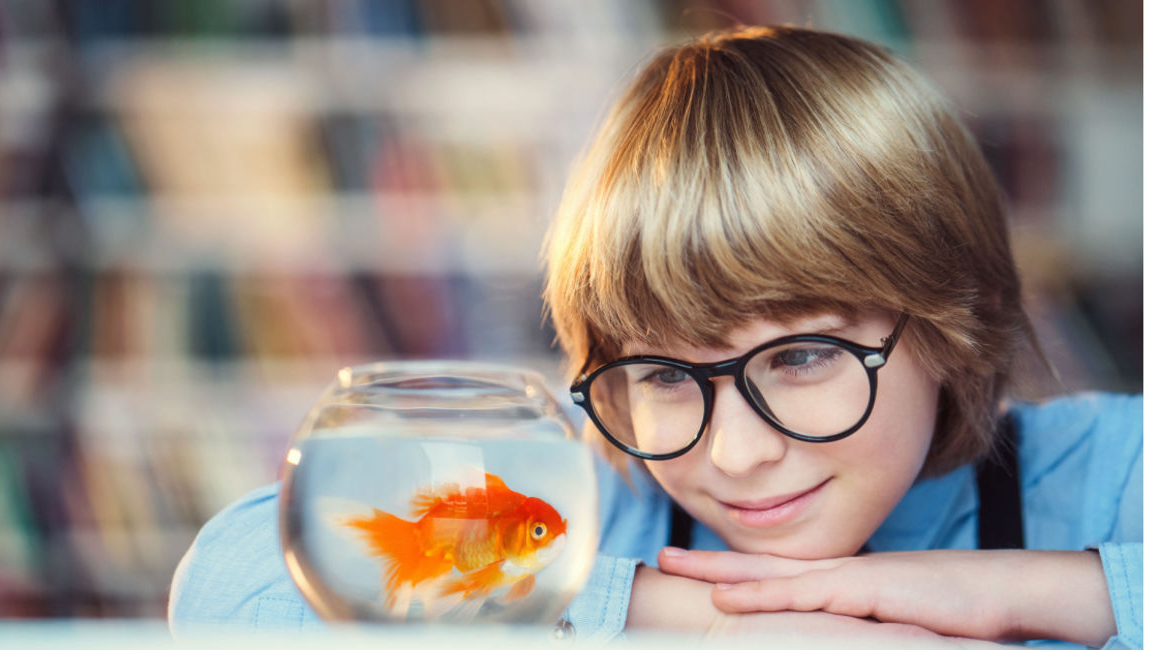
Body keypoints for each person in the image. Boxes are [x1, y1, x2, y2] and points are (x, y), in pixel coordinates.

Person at [168, 25, 1141, 649]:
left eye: (802, 356)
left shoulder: (1107, 471)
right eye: (667, 373)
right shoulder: (591, 500)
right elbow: (232, 583)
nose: (737, 454)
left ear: (956, 316)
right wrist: (713, 616)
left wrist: (1030, 590)